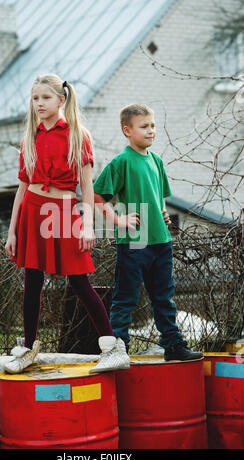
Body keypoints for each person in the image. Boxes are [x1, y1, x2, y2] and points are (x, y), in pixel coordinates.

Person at [4, 74, 130, 374]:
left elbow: (87, 186)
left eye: (45, 98)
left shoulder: (77, 134)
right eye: (35, 99)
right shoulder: (29, 138)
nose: (39, 104)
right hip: (31, 211)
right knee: (31, 282)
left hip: (63, 211)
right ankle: (29, 348)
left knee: (79, 281)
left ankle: (112, 347)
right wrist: (12, 231)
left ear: (61, 100)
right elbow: (22, 187)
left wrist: (87, 224)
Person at [93, 104, 203, 362]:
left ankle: (173, 346)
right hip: (135, 240)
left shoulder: (156, 161)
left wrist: (163, 213)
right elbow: (98, 196)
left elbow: (160, 197)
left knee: (164, 299)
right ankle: (117, 350)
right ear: (127, 130)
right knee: (126, 300)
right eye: (144, 126)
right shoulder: (121, 162)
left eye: (152, 125)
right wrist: (118, 220)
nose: (151, 130)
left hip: (160, 240)